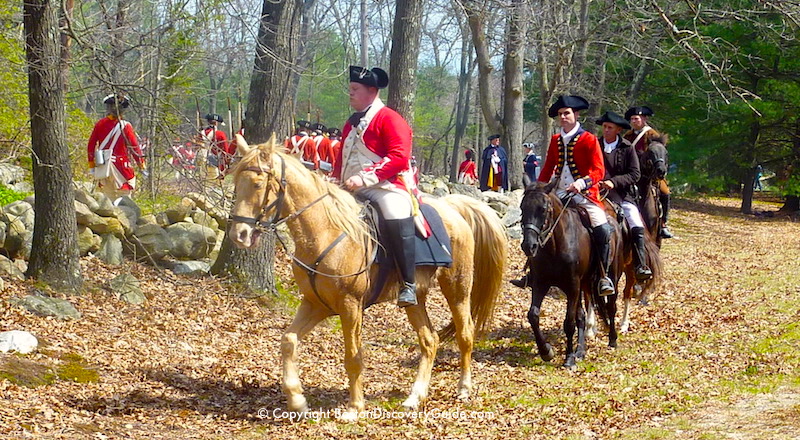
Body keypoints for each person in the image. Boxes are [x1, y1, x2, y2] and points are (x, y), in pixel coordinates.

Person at [333, 65, 419, 308]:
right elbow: (343, 158)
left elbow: (399, 157)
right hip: (351, 187)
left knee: (395, 211)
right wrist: (334, 180)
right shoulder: (351, 124)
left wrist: (364, 178)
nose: (350, 93)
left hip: (387, 186)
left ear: (372, 91)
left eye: (354, 89)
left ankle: (408, 284)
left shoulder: (391, 119)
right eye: (350, 89)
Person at [537, 95, 615, 296]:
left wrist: (581, 183)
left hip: (586, 195)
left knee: (603, 229)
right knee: (537, 222)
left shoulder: (589, 139)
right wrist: (538, 189)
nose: (563, 117)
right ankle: (532, 270)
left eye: (567, 113)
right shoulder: (555, 140)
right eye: (560, 114)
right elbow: (547, 169)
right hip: (559, 193)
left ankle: (603, 275)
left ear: (576, 114)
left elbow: (599, 170)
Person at [596, 111, 652, 281]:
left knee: (635, 221)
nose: (605, 130)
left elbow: (635, 174)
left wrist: (614, 182)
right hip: (595, 192)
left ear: (618, 129)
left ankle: (640, 264)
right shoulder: (595, 145)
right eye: (604, 127)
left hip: (622, 195)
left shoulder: (627, 148)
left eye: (609, 127)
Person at [624, 106, 673, 239]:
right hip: (629, 173)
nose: (634, 121)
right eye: (632, 119)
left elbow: (659, 153)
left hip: (649, 174)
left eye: (637, 118)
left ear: (644, 119)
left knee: (665, 192)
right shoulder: (627, 136)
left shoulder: (652, 134)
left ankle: (663, 224)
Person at [87, 93, 145, 205]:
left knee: (107, 201)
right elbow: (135, 148)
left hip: (103, 166)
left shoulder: (100, 124)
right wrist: (141, 164)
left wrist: (92, 165)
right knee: (125, 200)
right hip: (122, 168)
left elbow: (91, 146)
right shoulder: (126, 126)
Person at [202, 113, 232, 178]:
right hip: (216, 162)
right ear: (216, 123)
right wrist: (226, 161)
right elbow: (225, 150)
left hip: (201, 160)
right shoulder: (220, 134)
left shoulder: (201, 133)